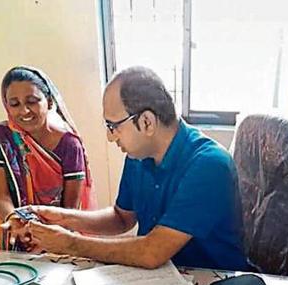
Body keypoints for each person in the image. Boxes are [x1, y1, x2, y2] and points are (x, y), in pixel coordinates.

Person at [21, 66, 249, 271]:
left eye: (113, 126)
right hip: (163, 277)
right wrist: (62, 218)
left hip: (215, 284)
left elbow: (152, 252)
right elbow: (122, 218)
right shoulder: (139, 154)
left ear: (147, 122)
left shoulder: (210, 165)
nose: (110, 137)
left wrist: (69, 244)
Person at [0, 66, 95, 250]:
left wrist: (45, 235)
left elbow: (70, 209)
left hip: (57, 230)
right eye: (14, 104)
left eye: (32, 101)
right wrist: (15, 221)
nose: (24, 111)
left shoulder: (70, 145)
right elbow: (1, 197)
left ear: (48, 101)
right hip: (11, 227)